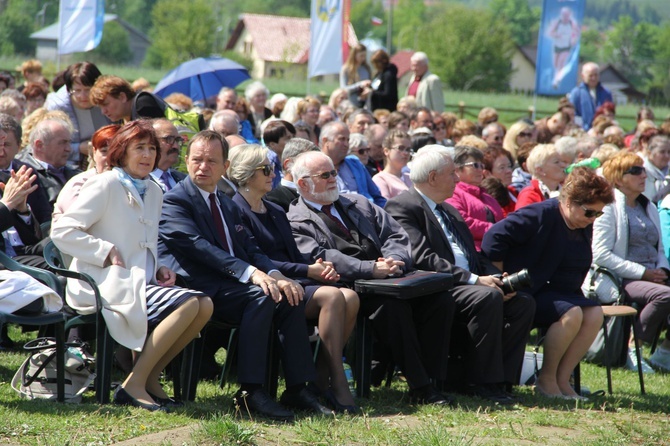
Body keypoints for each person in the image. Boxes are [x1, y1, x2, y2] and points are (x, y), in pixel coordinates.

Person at [158, 130, 330, 421]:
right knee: (261, 297)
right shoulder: (176, 201)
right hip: (198, 287)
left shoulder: (225, 202)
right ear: (186, 162)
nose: (203, 167)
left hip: (230, 283)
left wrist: (276, 274)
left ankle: (299, 388)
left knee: (290, 294)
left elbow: (250, 249)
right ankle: (251, 392)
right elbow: (200, 249)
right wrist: (252, 275)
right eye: (197, 160)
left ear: (225, 167)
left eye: (211, 161)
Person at [51, 121, 213, 411]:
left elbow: (147, 241)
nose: (148, 154)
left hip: (139, 280)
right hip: (101, 282)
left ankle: (146, 378)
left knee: (205, 306)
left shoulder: (153, 189)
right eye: (139, 148)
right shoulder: (105, 183)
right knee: (189, 303)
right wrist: (105, 250)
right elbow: (63, 232)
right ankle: (134, 384)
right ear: (121, 152)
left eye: (152, 148)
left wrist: (160, 266)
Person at [288, 151, 454, 406]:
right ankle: (420, 387)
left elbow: (395, 234)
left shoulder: (357, 202)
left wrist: (395, 259)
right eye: (325, 175)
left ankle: (435, 379)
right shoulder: (295, 219)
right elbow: (318, 255)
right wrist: (369, 268)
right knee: (391, 308)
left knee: (440, 299)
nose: (334, 178)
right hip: (348, 287)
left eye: (334, 172)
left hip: (390, 278)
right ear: (303, 184)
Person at [384, 146, 535, 403]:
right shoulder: (403, 206)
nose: (457, 178)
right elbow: (422, 258)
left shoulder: (448, 209)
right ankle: (480, 382)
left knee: (522, 303)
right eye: (452, 173)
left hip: (467, 282)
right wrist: (477, 280)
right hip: (437, 286)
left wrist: (495, 278)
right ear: (432, 177)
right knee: (486, 297)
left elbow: (473, 256)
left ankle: (503, 382)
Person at [228, 144, 360, 412]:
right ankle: (336, 381)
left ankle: (319, 380)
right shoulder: (235, 210)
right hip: (266, 282)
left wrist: (316, 267)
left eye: (272, 168)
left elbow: (293, 254)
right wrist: (306, 271)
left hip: (295, 280)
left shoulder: (275, 209)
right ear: (246, 174)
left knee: (351, 296)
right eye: (266, 169)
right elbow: (254, 259)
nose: (273, 173)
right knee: (333, 296)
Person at [482, 167, 613, 399]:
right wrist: (500, 278)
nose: (593, 219)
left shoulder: (582, 223)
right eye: (590, 212)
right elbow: (495, 236)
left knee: (594, 314)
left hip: (562, 291)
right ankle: (546, 380)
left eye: (598, 214)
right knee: (572, 314)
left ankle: (563, 381)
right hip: (532, 291)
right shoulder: (540, 214)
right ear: (571, 201)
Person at [594, 152, 670, 373]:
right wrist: (643, 273)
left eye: (643, 169)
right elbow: (600, 254)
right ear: (618, 179)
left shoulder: (649, 207)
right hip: (622, 277)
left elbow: (661, 249)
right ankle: (633, 349)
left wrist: (662, 268)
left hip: (652, 274)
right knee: (665, 295)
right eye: (636, 171)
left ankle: (664, 353)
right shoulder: (608, 208)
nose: (643, 174)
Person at [45, 62, 110, 169]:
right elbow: (49, 146)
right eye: (77, 90)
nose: (83, 96)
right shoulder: (57, 107)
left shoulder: (107, 101)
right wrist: (79, 148)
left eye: (88, 90)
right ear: (69, 89)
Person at [52, 124, 119, 223]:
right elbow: (76, 225)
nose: (110, 159)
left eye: (116, 152)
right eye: (104, 151)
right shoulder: (79, 185)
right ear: (94, 153)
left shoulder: (136, 181)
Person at [446, 146, 504, 251]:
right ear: (457, 169)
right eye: (475, 165)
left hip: (497, 249)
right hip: (474, 253)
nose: (480, 170)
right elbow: (464, 223)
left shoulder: (487, 197)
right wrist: (496, 229)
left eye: (482, 166)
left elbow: (501, 221)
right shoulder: (452, 194)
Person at [17, 117, 81, 212]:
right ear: (40, 145)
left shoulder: (76, 174)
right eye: (62, 143)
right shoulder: (26, 177)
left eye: (69, 142)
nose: (69, 149)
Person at [319, 121, 386, 207]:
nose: (346, 144)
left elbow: (377, 196)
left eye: (348, 140)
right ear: (326, 141)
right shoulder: (317, 168)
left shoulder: (355, 163)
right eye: (342, 139)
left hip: (370, 214)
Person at [0, 114, 51, 224]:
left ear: (18, 146)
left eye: (6, 144)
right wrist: (8, 203)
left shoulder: (26, 172)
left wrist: (24, 212)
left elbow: (44, 216)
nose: (2, 150)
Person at [266, 138, 319, 212]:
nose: (317, 168)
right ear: (288, 165)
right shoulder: (274, 201)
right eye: (309, 162)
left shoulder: (320, 192)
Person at [515, 143, 567, 210]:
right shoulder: (529, 195)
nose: (563, 165)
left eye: (562, 161)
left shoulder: (566, 189)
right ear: (540, 170)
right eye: (557, 162)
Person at [569, 62, 613, 130]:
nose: (593, 78)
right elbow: (572, 114)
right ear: (583, 76)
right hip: (583, 132)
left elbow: (610, 113)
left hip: (602, 131)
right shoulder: (576, 93)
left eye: (596, 75)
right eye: (590, 75)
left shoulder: (606, 93)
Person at [372, 129, 412, 200]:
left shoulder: (411, 177)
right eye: (401, 148)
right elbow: (384, 207)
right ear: (386, 151)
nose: (406, 153)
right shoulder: (380, 179)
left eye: (408, 149)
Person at [149, 119, 186, 193]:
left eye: (178, 140)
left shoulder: (185, 180)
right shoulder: (140, 181)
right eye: (169, 139)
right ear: (151, 142)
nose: (176, 146)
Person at [549, 7, 580, 89]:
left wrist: (573, 39)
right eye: (563, 14)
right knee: (556, 65)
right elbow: (550, 32)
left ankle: (556, 81)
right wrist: (557, 35)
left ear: (569, 15)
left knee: (561, 63)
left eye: (567, 15)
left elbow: (576, 33)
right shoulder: (557, 22)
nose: (565, 16)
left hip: (566, 46)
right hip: (557, 45)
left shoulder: (572, 23)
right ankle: (556, 79)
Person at [482, 147, 517, 215]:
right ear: (487, 174)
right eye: (502, 167)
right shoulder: (488, 199)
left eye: (509, 166)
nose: (509, 171)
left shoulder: (514, 192)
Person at [340, 43, 372, 109]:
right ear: (354, 55)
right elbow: (344, 88)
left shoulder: (366, 68)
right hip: (351, 102)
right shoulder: (346, 69)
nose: (363, 58)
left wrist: (367, 89)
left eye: (364, 56)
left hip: (365, 103)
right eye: (361, 56)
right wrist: (360, 84)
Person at [642, 134, 670, 203]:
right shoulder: (641, 172)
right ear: (649, 153)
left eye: (669, 152)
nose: (667, 156)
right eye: (662, 152)